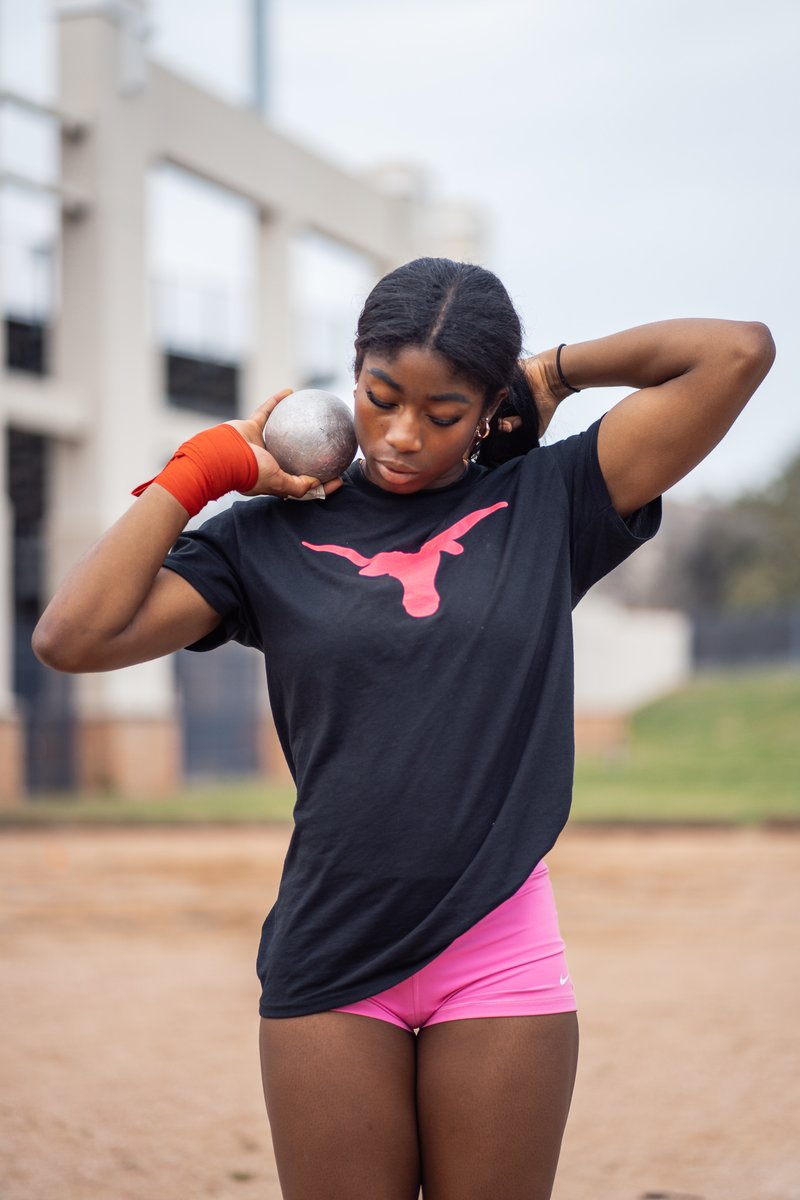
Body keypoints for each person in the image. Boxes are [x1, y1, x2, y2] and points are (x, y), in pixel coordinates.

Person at [32, 257, 775, 1200]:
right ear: (352, 373)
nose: (402, 434)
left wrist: (548, 374)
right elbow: (71, 636)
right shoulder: (271, 536)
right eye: (381, 397)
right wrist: (205, 470)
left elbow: (737, 352)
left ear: (487, 405)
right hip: (332, 950)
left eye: (444, 410)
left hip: (494, 945)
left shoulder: (548, 503)